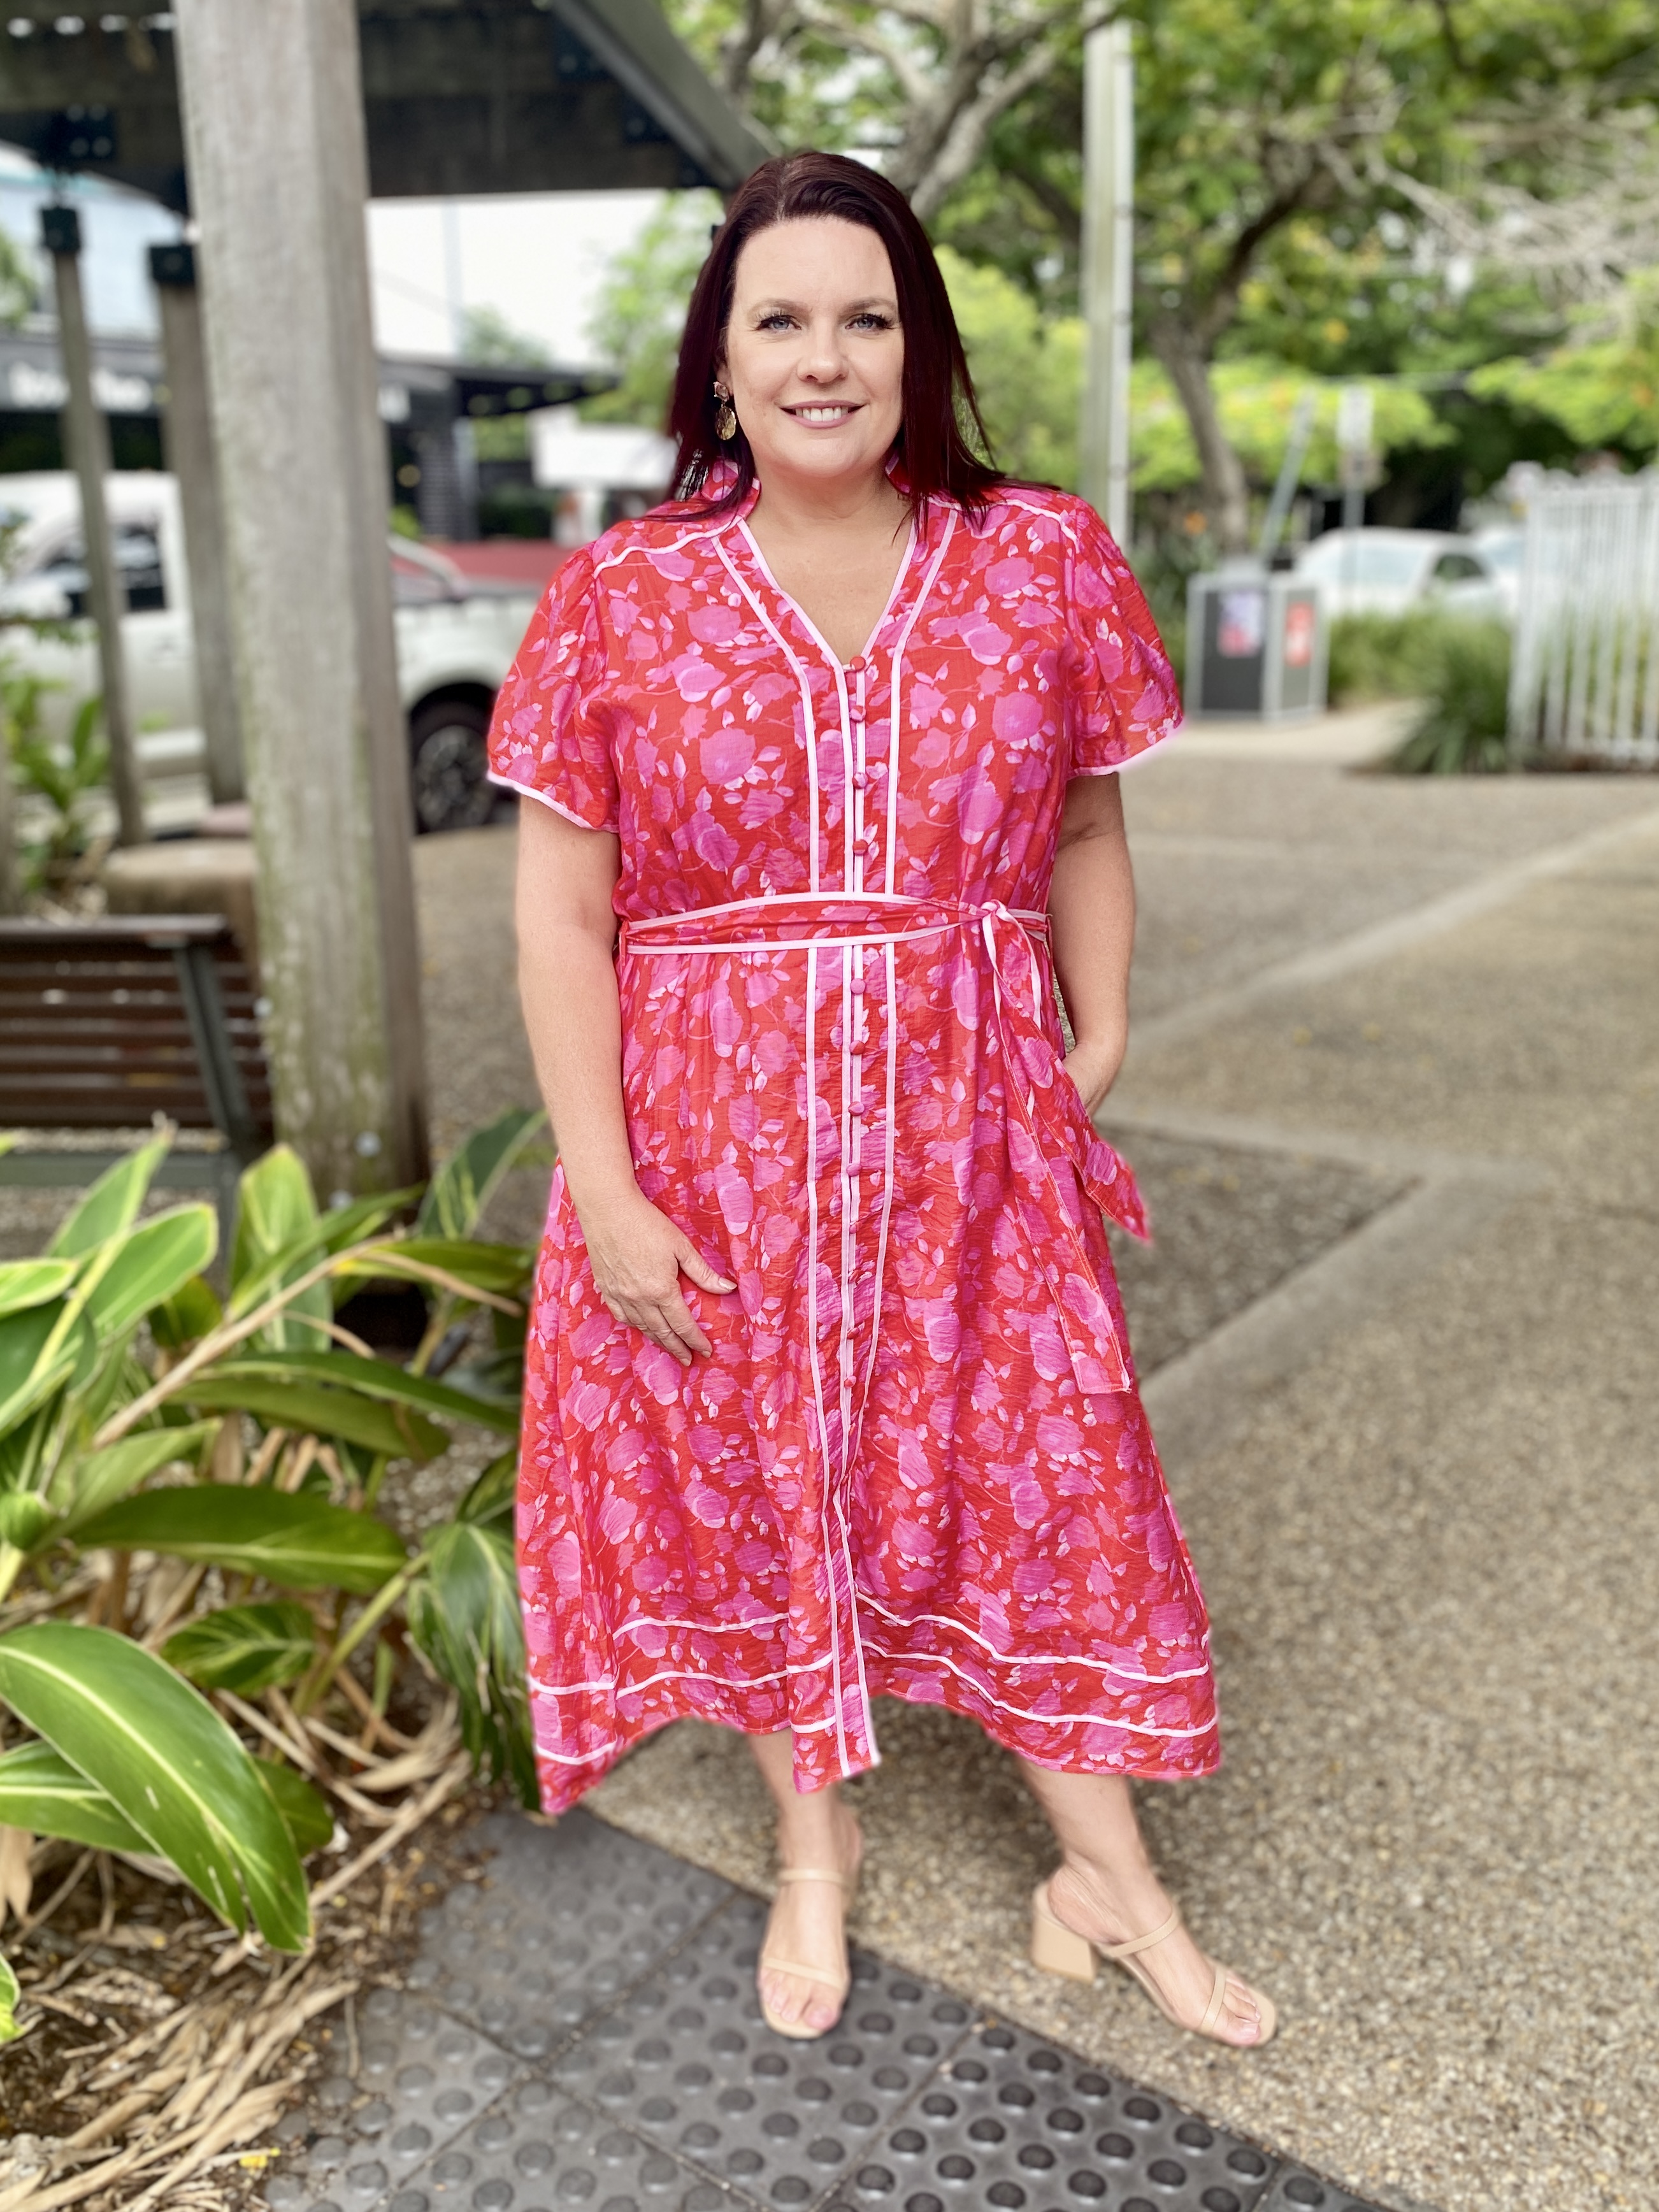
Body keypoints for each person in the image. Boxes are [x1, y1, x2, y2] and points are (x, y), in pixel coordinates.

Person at [490, 151, 1275, 2050]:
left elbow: (1084, 826)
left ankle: (1106, 1879)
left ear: (919, 345)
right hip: (709, 1149)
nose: (824, 358)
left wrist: (1094, 1039)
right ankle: (811, 1850)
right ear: (722, 358)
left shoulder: (1041, 558)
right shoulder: (620, 595)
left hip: (971, 1146)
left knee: (1045, 1486)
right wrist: (608, 1191)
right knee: (758, 1488)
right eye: (780, 320)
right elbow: (559, 914)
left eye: (866, 317)